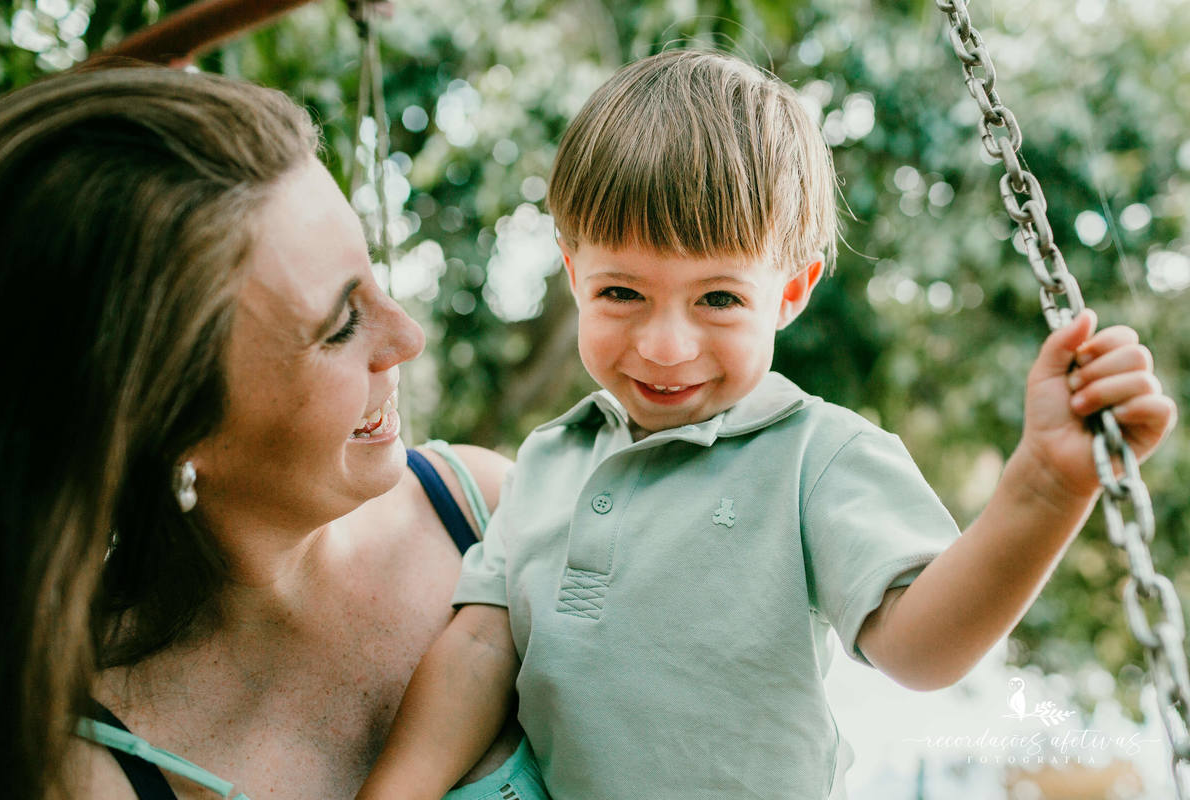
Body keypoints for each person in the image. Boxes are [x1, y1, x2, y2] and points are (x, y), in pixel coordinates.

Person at [356, 49, 1177, 799]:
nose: (666, 346)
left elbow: (923, 649)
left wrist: (1045, 487)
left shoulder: (816, 457)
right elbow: (479, 649)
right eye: (621, 293)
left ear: (790, 292)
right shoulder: (549, 461)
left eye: (718, 298)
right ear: (574, 276)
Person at [0, 65, 545, 799]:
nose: (406, 336)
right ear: (170, 425)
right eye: (340, 326)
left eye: (373, 275)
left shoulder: (489, 512)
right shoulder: (80, 770)